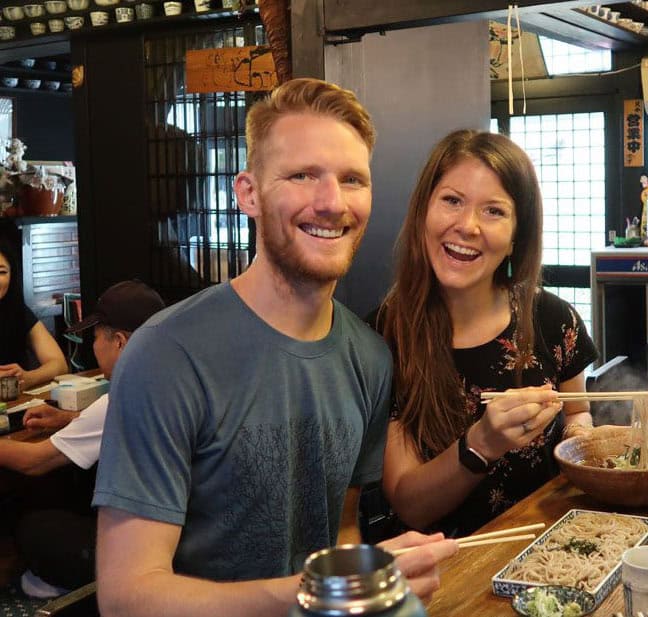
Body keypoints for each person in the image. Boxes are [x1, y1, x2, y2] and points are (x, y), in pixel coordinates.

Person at [92, 78, 458, 617]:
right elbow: (127, 597)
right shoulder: (167, 354)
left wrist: (365, 586)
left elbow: (342, 528)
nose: (332, 202)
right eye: (302, 175)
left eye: (352, 179)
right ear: (248, 194)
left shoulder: (370, 359)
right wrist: (321, 590)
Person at [373, 130, 599, 537]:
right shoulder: (383, 337)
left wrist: (580, 444)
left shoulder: (552, 319)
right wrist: (481, 444)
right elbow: (410, 505)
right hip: (443, 572)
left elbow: (576, 411)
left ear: (516, 237)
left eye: (493, 211)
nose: (467, 226)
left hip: (548, 550)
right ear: (424, 209)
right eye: (452, 201)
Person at [0, 280, 166, 597]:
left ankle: (81, 585)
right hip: (174, 528)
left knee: (33, 528)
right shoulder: (168, 377)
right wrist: (68, 419)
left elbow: (34, 462)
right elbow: (111, 425)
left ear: (119, 341)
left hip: (146, 548)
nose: (92, 347)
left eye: (93, 337)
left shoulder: (125, 394)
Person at [0, 240, 68, 390]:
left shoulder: (17, 311)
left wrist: (27, 378)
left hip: (12, 407)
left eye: (2, 272)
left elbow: (59, 364)